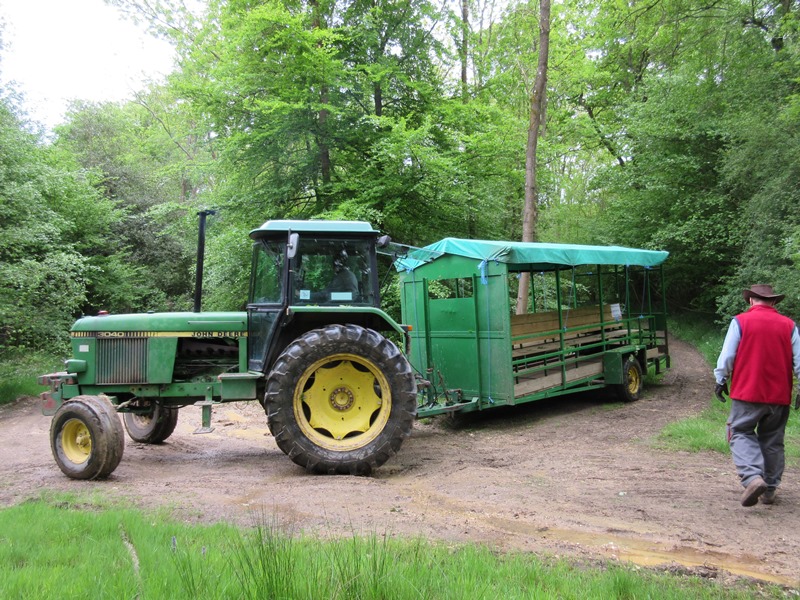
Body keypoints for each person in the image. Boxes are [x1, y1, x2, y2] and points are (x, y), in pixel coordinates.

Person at [714, 284, 800, 507]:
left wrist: (720, 379)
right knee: (772, 440)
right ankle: (770, 489)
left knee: (739, 431)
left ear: (751, 300)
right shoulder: (789, 325)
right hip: (779, 396)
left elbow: (727, 356)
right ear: (773, 302)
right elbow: (799, 361)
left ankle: (752, 478)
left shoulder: (740, 322)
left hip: (748, 392)